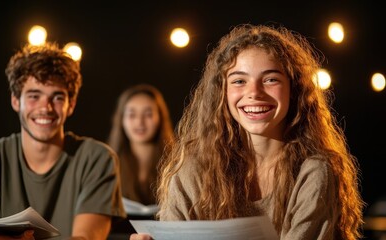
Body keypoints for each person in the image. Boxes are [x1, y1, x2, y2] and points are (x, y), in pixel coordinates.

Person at [130, 23, 364, 240]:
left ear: (294, 90)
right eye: (239, 81)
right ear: (222, 93)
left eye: (271, 79)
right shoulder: (192, 171)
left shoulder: (314, 171)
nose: (255, 92)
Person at [0, 42, 126, 240]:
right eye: (34, 96)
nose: (45, 108)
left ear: (71, 105)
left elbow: (87, 237)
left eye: (57, 97)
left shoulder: (97, 158)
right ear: (15, 101)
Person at [107, 84, 174, 239]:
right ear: (121, 119)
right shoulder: (106, 166)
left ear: (160, 117)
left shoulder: (178, 164)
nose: (140, 122)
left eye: (148, 114)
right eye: (132, 115)